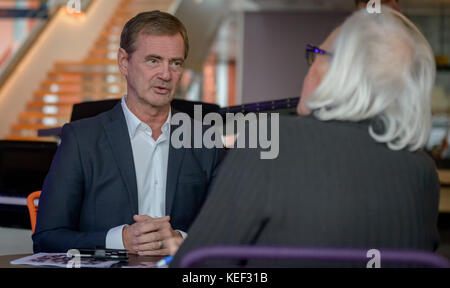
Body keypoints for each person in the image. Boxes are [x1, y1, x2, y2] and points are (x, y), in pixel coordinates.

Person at [169, 8, 440, 267]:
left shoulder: (273, 142)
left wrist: (181, 249)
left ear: (339, 72)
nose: (309, 69)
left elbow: (199, 266)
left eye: (316, 55)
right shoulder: (423, 171)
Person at [33, 11, 222, 256]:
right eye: (153, 60)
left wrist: (181, 240)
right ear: (124, 62)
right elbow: (47, 238)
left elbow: (230, 233)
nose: (166, 74)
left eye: (175, 63)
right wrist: (119, 239)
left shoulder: (207, 141)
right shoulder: (81, 139)